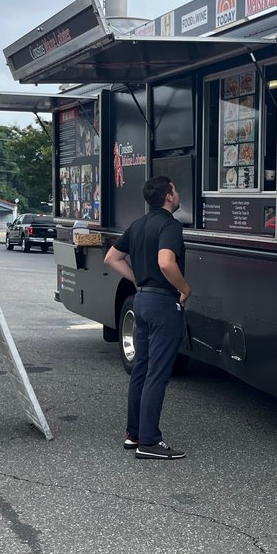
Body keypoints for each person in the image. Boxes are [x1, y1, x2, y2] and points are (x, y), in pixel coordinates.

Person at [103, 176, 191, 459]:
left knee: (141, 369)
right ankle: (150, 442)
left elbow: (111, 258)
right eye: (175, 190)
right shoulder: (170, 226)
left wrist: (138, 279)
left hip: (141, 300)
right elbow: (166, 262)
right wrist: (184, 288)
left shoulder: (138, 225)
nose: (177, 195)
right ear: (168, 196)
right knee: (157, 373)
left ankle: (134, 435)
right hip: (163, 304)